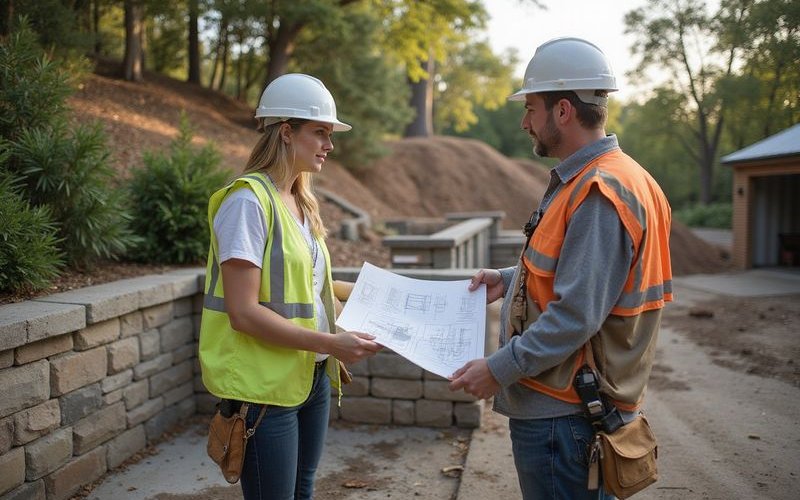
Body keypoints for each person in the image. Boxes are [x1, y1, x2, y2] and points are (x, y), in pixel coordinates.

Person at [449, 37, 673, 499]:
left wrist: (498, 369)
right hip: (575, 414)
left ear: (564, 111)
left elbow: (576, 315)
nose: (524, 122)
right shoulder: (620, 176)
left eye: (531, 108)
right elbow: (588, 277)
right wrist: (507, 280)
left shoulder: (599, 194)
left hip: (566, 418)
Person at [198, 73, 382, 500]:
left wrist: (383, 295)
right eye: (320, 132)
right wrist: (332, 342)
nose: (329, 145)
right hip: (263, 389)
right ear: (285, 132)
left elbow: (309, 283)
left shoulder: (299, 200)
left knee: (303, 490)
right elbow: (243, 313)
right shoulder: (246, 203)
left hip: (309, 376)